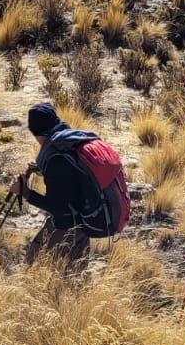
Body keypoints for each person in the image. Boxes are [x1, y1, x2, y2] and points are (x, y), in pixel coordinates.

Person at [18, 101, 128, 269]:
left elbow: (57, 207)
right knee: (75, 275)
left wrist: (25, 192)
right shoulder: (71, 141)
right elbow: (72, 178)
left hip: (68, 223)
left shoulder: (55, 157)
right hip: (87, 218)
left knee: (32, 264)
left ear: (33, 131)